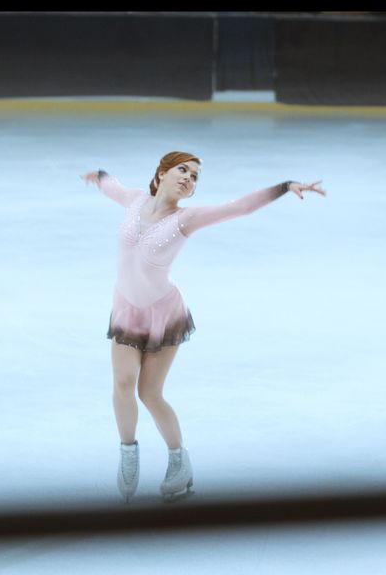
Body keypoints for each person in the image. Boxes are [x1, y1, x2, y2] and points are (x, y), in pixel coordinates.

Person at [82, 151, 326, 502]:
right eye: (182, 169)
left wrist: (286, 186)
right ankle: (128, 452)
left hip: (164, 314)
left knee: (149, 393)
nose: (188, 178)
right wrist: (100, 175)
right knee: (122, 384)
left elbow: (239, 208)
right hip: (126, 309)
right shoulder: (135, 199)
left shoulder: (187, 219)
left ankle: (179, 462)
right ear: (162, 174)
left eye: (195, 176)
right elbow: (112, 187)